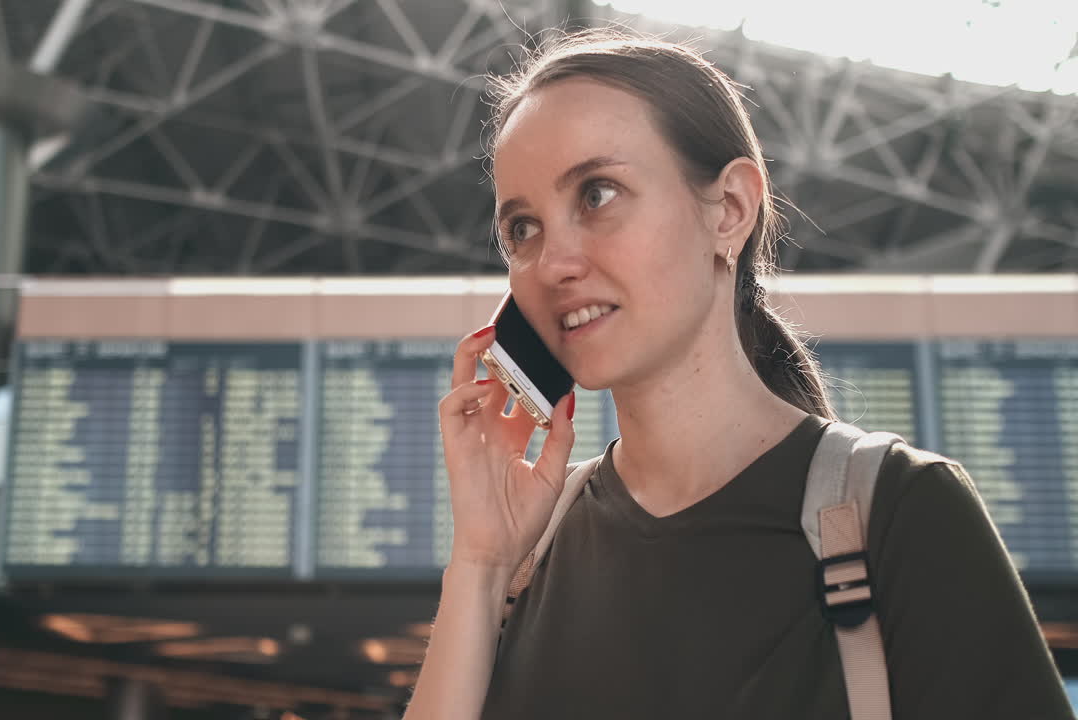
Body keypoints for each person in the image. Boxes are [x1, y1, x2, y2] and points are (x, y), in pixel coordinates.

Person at [402, 28, 1074, 720]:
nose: (553, 263)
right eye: (522, 229)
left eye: (597, 194)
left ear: (729, 211)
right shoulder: (529, 555)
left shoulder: (903, 513)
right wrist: (480, 564)